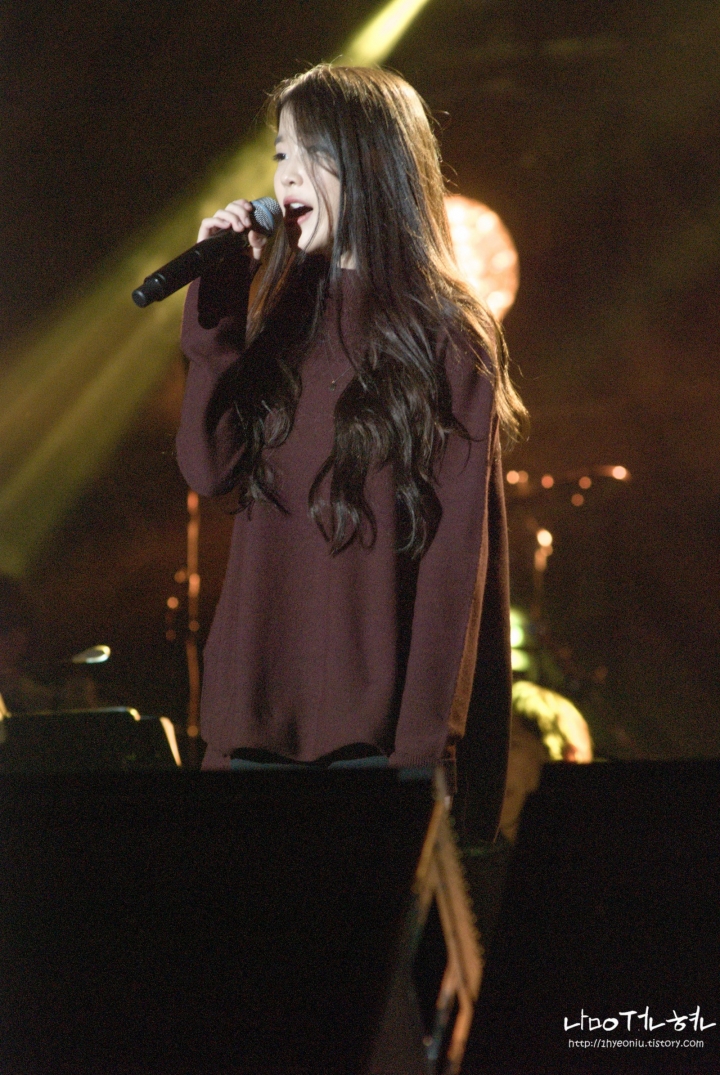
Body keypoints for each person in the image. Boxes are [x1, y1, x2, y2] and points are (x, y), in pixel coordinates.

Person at [176, 65, 526, 841]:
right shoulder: (279, 318)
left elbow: (456, 563)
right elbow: (208, 466)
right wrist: (222, 307)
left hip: (377, 745)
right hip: (251, 729)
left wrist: (427, 749)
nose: (287, 176)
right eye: (280, 155)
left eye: (312, 154)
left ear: (374, 161)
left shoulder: (449, 336)